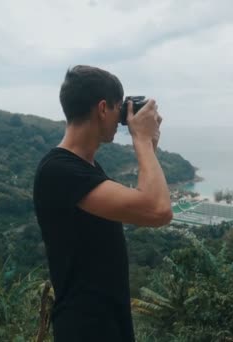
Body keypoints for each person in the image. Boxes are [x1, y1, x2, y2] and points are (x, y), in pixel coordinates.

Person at [33, 65, 172, 342]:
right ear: (102, 109)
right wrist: (141, 140)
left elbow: (140, 202)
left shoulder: (86, 168)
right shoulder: (59, 171)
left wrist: (149, 148)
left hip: (105, 324)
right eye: (119, 108)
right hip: (85, 328)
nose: (122, 117)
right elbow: (158, 211)